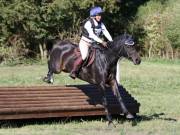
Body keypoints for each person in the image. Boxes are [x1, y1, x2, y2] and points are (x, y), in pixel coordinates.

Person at [69, 6, 113, 79]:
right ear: (94, 16)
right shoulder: (88, 23)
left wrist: (112, 41)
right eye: (98, 15)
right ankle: (74, 71)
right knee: (84, 56)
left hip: (93, 44)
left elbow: (106, 32)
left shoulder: (101, 24)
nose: (100, 17)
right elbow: (92, 35)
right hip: (85, 43)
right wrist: (102, 41)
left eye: (100, 15)